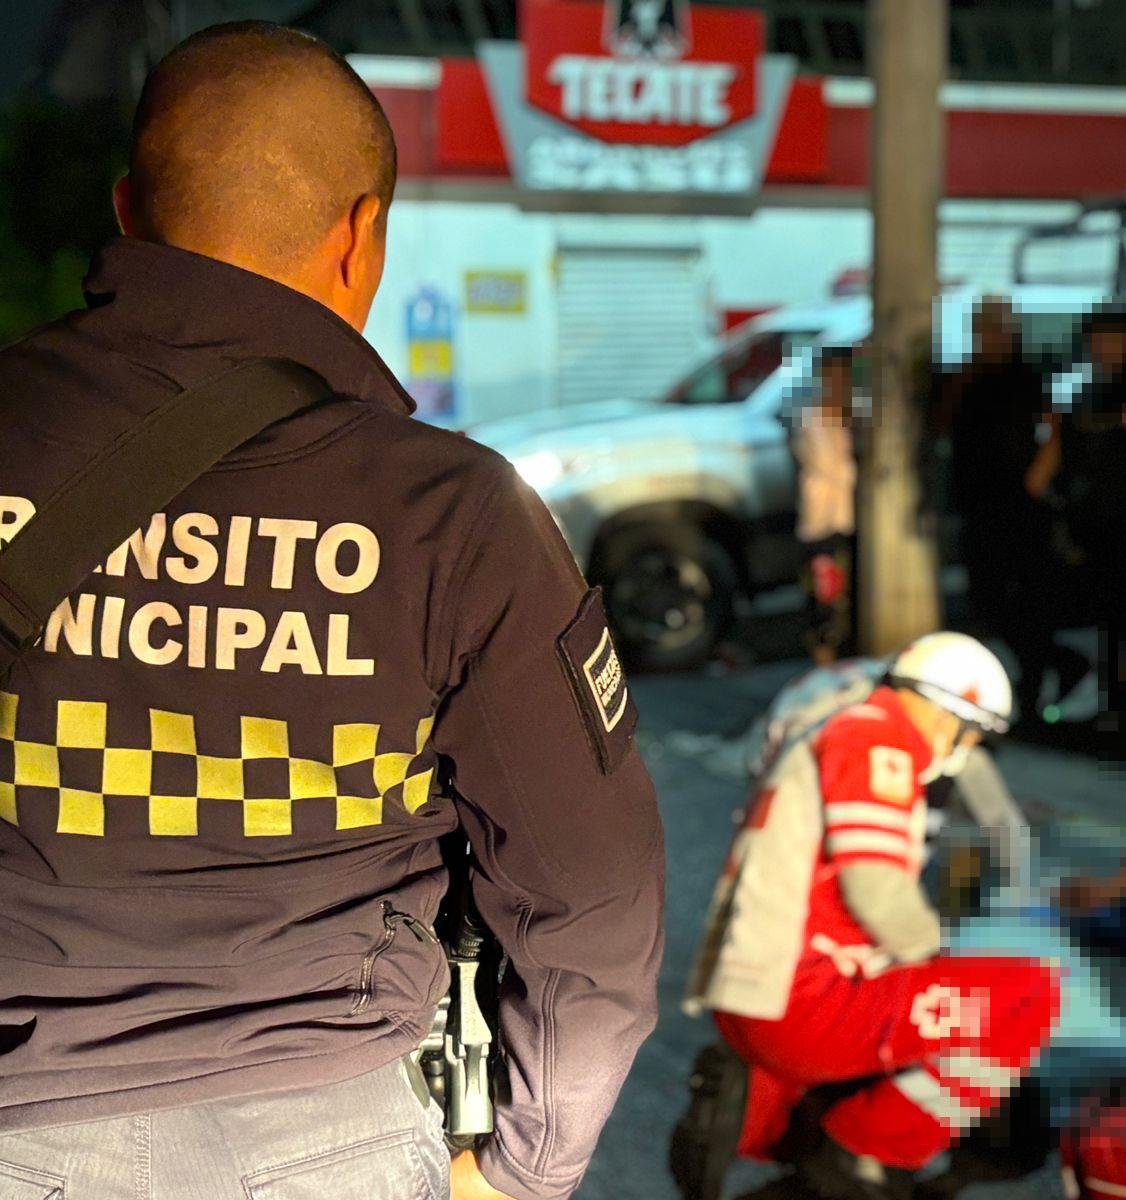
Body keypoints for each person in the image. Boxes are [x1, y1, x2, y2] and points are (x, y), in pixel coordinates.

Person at [0, 23, 663, 1200]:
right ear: (363, 235)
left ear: (124, 210)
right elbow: (590, 905)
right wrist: (522, 1170)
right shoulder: (455, 515)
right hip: (329, 1143)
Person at [684, 633, 1058, 1200]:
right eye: (974, 729)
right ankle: (871, 1151)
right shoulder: (878, 738)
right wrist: (944, 962)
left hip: (758, 989)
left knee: (955, 992)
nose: (971, 745)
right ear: (949, 712)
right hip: (803, 1001)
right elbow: (879, 892)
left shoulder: (841, 725)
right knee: (1028, 994)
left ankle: (792, 1123)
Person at [1030, 306, 1126, 736]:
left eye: (1105, 340)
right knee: (1114, 624)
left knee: (1123, 621)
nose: (1097, 350)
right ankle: (1119, 704)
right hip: (1109, 527)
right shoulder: (1107, 390)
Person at [945, 299, 1058, 709]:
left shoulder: (1026, 375)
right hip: (980, 503)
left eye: (994, 329)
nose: (987, 338)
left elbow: (1051, 426)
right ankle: (1050, 665)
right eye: (981, 330)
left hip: (1018, 503)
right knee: (986, 599)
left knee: (1023, 598)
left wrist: (1039, 474)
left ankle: (1035, 680)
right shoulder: (970, 377)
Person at [794, 346, 858, 665]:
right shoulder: (814, 418)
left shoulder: (852, 417)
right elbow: (832, 468)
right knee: (824, 606)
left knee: (845, 607)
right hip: (820, 526)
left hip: (846, 524)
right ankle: (825, 667)